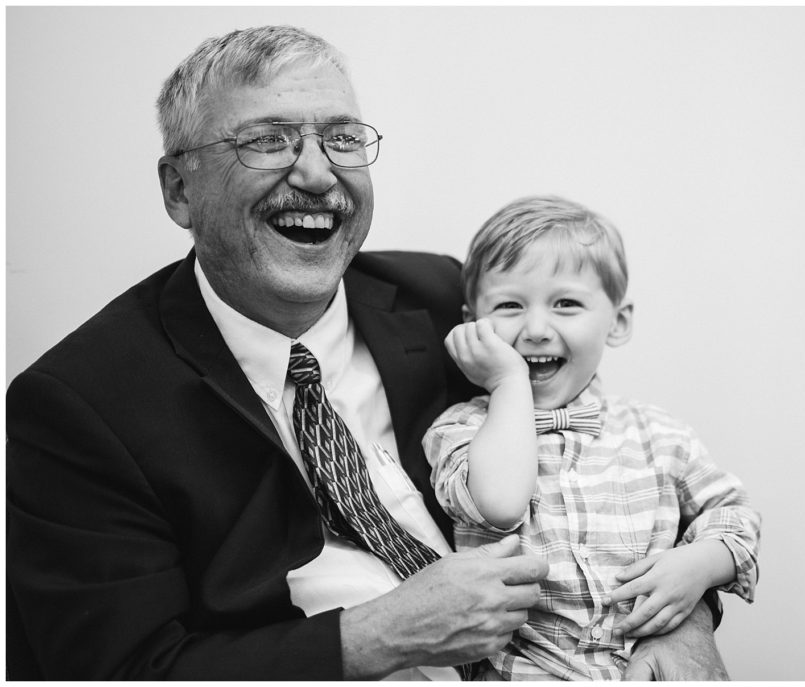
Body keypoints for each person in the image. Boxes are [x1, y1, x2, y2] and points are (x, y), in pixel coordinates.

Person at [6, 26, 728, 680]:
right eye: (269, 140)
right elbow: (117, 668)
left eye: (342, 138)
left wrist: (683, 619)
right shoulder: (80, 406)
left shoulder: (446, 300)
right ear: (178, 189)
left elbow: (604, 475)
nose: (318, 175)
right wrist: (377, 636)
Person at [424, 195, 761, 680]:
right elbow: (499, 504)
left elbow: (735, 515)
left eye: (566, 304)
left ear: (617, 322)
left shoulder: (659, 433)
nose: (535, 329)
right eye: (509, 305)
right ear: (471, 325)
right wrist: (508, 383)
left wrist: (701, 564)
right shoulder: (460, 430)